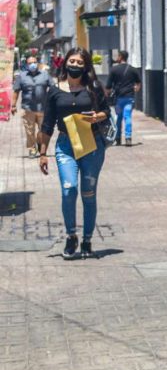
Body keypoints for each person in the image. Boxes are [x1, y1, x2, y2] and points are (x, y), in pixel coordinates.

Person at [37, 47, 110, 259]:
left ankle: (87, 240)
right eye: (72, 61)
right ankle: (71, 236)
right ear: (65, 63)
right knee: (69, 190)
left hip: (92, 145)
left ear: (86, 66)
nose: (75, 66)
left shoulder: (94, 87)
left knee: (89, 194)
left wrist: (97, 116)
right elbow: (48, 123)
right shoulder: (55, 90)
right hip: (65, 146)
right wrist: (42, 153)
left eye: (80, 62)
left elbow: (107, 111)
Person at [12, 55, 53, 157]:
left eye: (34, 62)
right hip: (28, 109)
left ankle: (40, 144)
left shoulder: (45, 75)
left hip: (43, 109)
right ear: (27, 64)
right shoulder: (21, 76)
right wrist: (13, 105)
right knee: (29, 131)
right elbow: (16, 91)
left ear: (38, 63)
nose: (32, 65)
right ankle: (32, 149)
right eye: (30, 63)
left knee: (43, 130)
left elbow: (53, 89)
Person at [105, 50, 142, 146]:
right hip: (129, 97)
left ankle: (117, 138)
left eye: (118, 56)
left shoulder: (114, 70)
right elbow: (138, 84)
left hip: (118, 98)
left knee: (118, 118)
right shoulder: (133, 69)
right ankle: (128, 138)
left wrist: (106, 95)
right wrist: (135, 89)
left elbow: (108, 86)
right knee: (128, 117)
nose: (117, 58)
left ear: (121, 57)